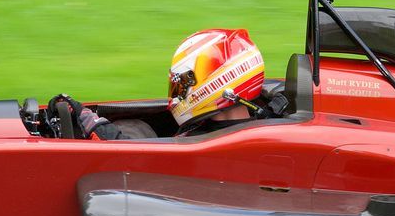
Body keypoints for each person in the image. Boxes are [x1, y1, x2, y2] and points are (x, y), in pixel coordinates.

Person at [54, 29, 269, 140]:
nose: (178, 91)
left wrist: (87, 118)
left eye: (184, 82)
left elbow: (127, 155)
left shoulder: (220, 142)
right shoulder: (256, 117)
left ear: (219, 82)